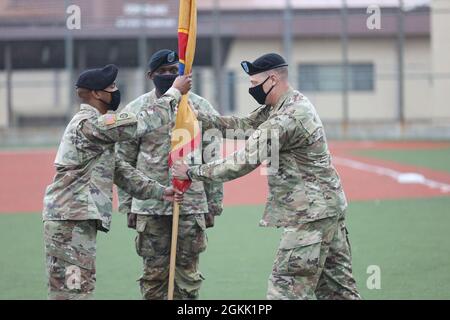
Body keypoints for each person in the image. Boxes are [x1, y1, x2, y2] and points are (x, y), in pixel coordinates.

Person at [172, 53, 361, 300]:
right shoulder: (284, 105)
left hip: (310, 216)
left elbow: (243, 161)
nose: (252, 89)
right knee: (338, 292)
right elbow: (244, 126)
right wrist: (198, 118)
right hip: (325, 211)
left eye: (254, 84)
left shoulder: (286, 117)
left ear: (272, 79)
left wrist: (192, 172)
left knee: (284, 290)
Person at [42, 64, 190, 299]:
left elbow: (121, 172)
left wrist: (161, 192)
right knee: (71, 292)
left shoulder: (97, 130)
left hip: (75, 220)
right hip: (69, 222)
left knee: (80, 287)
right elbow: (141, 122)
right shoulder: (90, 125)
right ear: (96, 94)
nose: (116, 90)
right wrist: (174, 92)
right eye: (111, 86)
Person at [116, 49, 223, 300]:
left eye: (173, 71)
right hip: (149, 205)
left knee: (187, 276)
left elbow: (213, 160)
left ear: (183, 74)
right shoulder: (138, 109)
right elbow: (123, 161)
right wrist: (128, 204)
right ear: (150, 75)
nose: (168, 76)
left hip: (191, 203)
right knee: (154, 276)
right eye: (162, 72)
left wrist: (213, 205)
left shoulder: (200, 107)